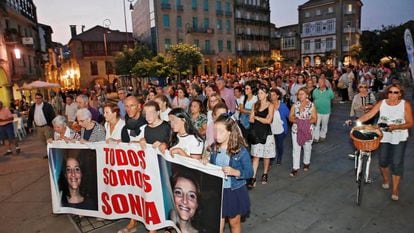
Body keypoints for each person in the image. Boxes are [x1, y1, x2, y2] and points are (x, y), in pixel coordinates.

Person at [357, 84, 413, 201]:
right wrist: (356, 122)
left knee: (397, 163)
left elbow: (410, 123)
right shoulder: (382, 103)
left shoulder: (405, 104)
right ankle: (386, 179)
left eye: (396, 92)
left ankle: (395, 189)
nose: (392, 94)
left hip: (399, 137)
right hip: (383, 136)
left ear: (400, 94)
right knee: (382, 161)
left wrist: (397, 126)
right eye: (390, 92)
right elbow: (370, 114)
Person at [208, 114, 253, 233]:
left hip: (234, 191)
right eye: (215, 131)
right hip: (218, 191)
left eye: (221, 131)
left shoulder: (240, 151)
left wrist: (235, 172)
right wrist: (206, 163)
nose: (217, 134)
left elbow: (249, 172)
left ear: (229, 132)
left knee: (234, 223)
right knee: (218, 226)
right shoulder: (214, 148)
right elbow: (213, 166)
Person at [248, 85, 275, 188]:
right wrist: (260, 118)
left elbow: (269, 120)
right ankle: (253, 177)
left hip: (266, 133)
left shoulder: (270, 105)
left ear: (266, 94)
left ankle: (265, 173)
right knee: (256, 156)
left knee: (266, 155)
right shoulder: (255, 105)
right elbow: (251, 119)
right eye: (258, 93)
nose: (259, 95)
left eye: (261, 93)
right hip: (256, 132)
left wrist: (257, 117)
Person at [289, 87, 317, 177]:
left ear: (307, 95)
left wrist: (304, 122)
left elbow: (314, 118)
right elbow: (290, 117)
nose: (300, 96)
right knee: (296, 149)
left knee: (307, 147)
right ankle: (295, 167)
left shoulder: (311, 105)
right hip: (296, 130)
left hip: (308, 130)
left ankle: (306, 162)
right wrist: (299, 122)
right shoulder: (295, 105)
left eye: (302, 94)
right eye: (299, 94)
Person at [27, 92, 56, 159]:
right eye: (36, 98)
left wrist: (54, 125)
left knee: (50, 140)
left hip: (47, 126)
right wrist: (29, 126)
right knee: (43, 141)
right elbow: (30, 117)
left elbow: (52, 116)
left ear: (42, 99)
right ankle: (49, 153)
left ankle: (53, 154)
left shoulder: (47, 106)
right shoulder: (33, 107)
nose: (37, 100)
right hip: (38, 127)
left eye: (39, 98)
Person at [269, 88, 290, 166]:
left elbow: (289, 116)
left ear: (278, 96)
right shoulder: (268, 105)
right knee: (271, 144)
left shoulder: (283, 106)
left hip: (281, 129)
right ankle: (271, 159)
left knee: (279, 145)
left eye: (273, 95)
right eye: (270, 95)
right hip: (270, 128)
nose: (271, 96)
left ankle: (279, 157)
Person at [312, 75, 335, 143]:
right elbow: (314, 98)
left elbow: (332, 97)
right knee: (316, 125)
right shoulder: (315, 90)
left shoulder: (329, 91)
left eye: (321, 82)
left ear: (325, 83)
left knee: (324, 125)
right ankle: (316, 137)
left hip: (326, 111)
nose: (320, 83)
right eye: (319, 82)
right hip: (317, 111)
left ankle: (322, 135)